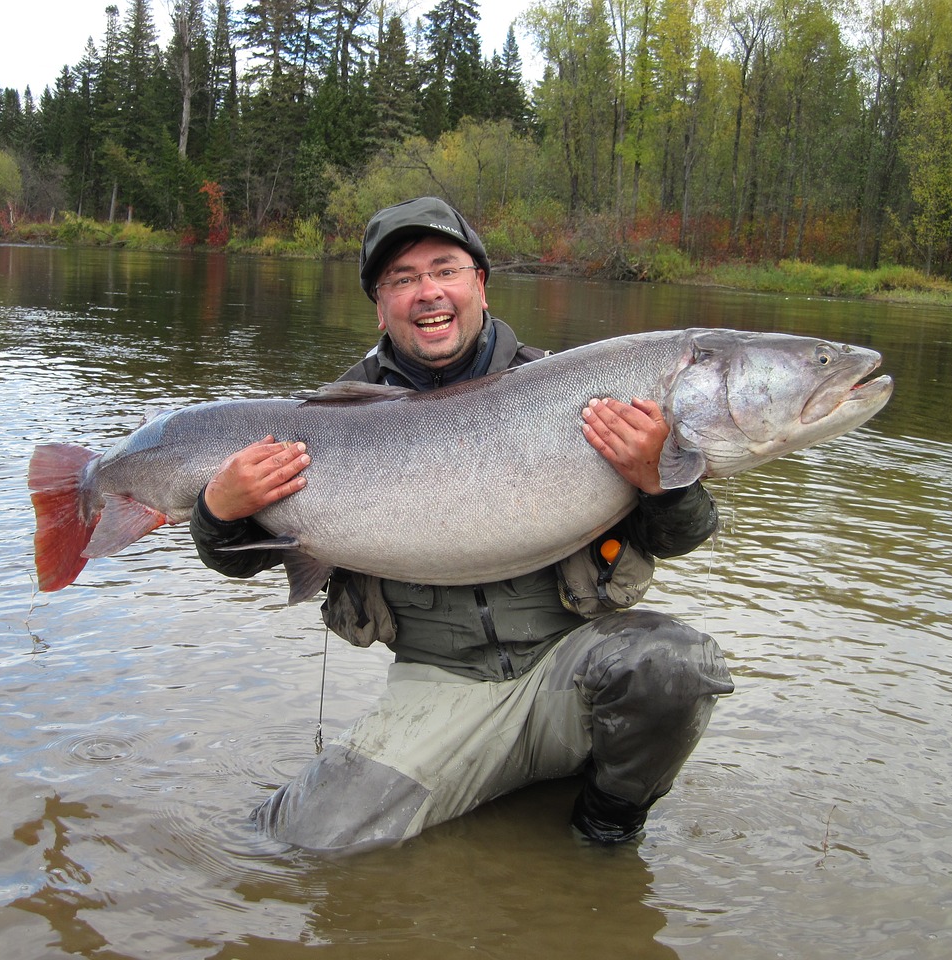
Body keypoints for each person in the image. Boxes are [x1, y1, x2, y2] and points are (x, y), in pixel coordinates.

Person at [190, 197, 733, 855]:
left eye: (444, 269)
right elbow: (244, 560)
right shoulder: (330, 420)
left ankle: (607, 828)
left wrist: (662, 482)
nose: (428, 292)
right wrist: (218, 511)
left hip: (571, 669)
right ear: (379, 305)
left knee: (674, 664)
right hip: (440, 690)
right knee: (299, 844)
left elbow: (679, 537)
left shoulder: (583, 394)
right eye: (402, 279)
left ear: (480, 283)